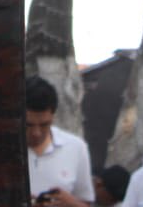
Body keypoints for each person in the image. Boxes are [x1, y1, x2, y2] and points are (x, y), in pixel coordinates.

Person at [26, 75, 95, 207]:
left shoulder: (76, 147)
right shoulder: (2, 150)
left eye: (44, 125)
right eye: (28, 125)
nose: (36, 133)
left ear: (53, 116)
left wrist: (70, 203)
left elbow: (86, 202)